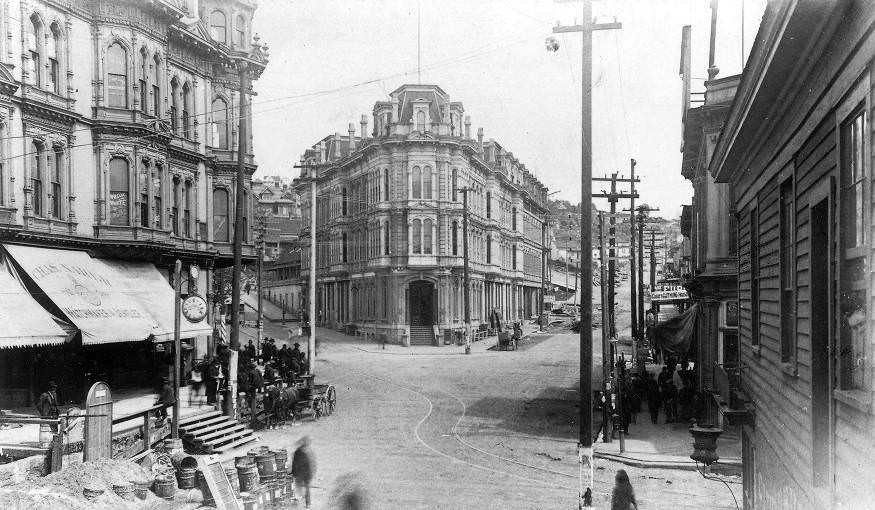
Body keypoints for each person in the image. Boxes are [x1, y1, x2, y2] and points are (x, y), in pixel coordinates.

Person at [292, 435, 316, 509]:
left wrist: (294, 472)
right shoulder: (309, 451)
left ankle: (303, 502)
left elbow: (295, 463)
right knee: (305, 488)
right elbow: (313, 464)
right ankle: (306, 503)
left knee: (301, 488)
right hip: (305, 474)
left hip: (302, 474)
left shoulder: (299, 451)